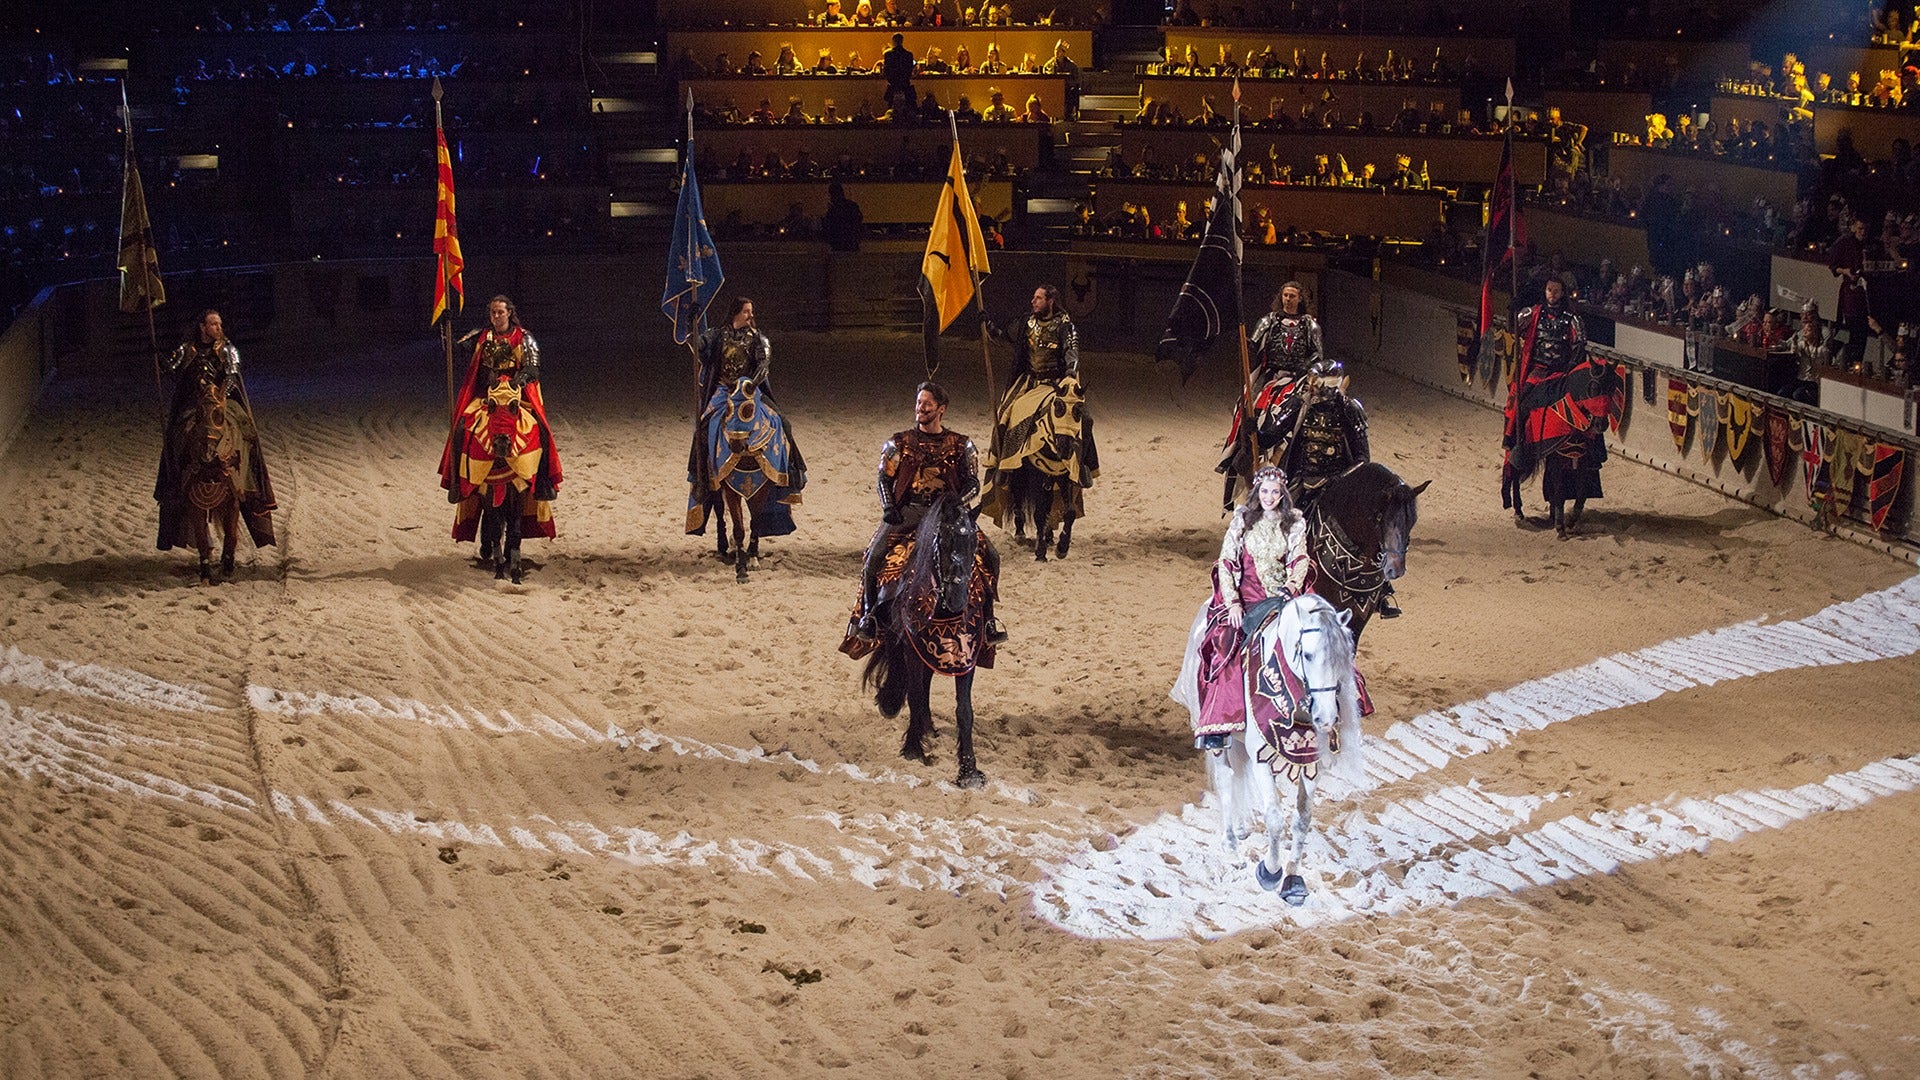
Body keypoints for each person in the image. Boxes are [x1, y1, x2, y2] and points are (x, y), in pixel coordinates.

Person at [851, 382, 1004, 642]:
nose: (920, 408)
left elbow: (973, 483)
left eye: (926, 404)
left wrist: (958, 502)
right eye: (919, 402)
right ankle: (869, 615)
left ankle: (989, 621)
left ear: (941, 409)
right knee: (873, 556)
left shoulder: (961, 445)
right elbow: (883, 479)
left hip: (948, 515)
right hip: (910, 511)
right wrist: (889, 506)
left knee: (991, 556)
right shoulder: (899, 442)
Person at [1180, 466, 1310, 751]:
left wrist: (1290, 588)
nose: (1269, 497)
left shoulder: (1293, 523)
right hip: (1247, 599)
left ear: (1282, 494)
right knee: (1224, 647)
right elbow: (1226, 562)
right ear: (1257, 492)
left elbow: (1300, 560)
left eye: (1275, 492)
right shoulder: (1243, 521)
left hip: (1282, 597)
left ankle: (1321, 707)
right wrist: (1234, 602)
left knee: (1316, 638)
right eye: (1264, 491)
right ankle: (1218, 725)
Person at [439, 295, 562, 545]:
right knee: (462, 426)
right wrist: (446, 325)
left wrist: (518, 382)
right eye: (493, 312)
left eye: (501, 312)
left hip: (515, 399)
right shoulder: (481, 337)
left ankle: (543, 483)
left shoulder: (524, 338)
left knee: (539, 428)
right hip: (486, 399)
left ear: (509, 313)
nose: (497, 316)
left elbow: (533, 367)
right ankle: (457, 483)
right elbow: (455, 349)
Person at [978, 285, 1100, 538]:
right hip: (1029, 382)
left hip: (1056, 384)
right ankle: (1004, 466)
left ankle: (1085, 467)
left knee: (1084, 418)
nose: (1033, 301)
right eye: (1033, 297)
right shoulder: (1027, 322)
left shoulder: (1066, 326)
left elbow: (1072, 353)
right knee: (1006, 414)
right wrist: (987, 325)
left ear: (1051, 301)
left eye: (1038, 297)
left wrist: (1069, 377)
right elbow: (1005, 336)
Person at [156, 308, 277, 555]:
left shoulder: (227, 350)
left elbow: (232, 375)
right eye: (213, 324)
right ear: (202, 327)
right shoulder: (186, 349)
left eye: (219, 324)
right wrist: (162, 362)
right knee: (178, 433)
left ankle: (248, 483)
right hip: (194, 404)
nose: (218, 328)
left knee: (246, 431)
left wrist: (219, 395)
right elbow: (175, 372)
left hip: (223, 402)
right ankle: (177, 485)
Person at [686, 297, 807, 536]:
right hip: (723, 392)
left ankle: (793, 471)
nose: (750, 315)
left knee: (783, 424)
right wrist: (693, 323)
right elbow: (698, 346)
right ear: (736, 313)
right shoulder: (717, 335)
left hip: (750, 392)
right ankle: (701, 480)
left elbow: (764, 364)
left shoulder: (758, 338)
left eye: (752, 311)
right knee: (703, 429)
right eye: (746, 311)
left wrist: (752, 385)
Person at [1501, 278, 1610, 539]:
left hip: (1562, 374)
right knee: (1521, 406)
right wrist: (1513, 308)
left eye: (1557, 291)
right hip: (1537, 373)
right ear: (1545, 291)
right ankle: (1516, 446)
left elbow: (1579, 345)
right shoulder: (1532, 313)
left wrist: (1569, 372)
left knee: (1586, 411)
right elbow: (1513, 326)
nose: (1553, 294)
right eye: (1550, 290)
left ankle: (1592, 451)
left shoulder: (1572, 320)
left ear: (1562, 293)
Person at [1216, 282, 1322, 511]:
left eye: (1292, 296)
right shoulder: (1268, 321)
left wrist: (1304, 368)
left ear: (1300, 298)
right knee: (1247, 408)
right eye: (1285, 295)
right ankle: (1236, 456)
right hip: (1272, 379)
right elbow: (1253, 346)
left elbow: (1317, 354)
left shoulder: (1310, 325)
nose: (1288, 300)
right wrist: (1245, 344)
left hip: (1299, 380)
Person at [1830, 216, 1874, 372]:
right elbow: (1834, 267)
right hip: (1851, 294)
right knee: (1851, 331)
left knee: (1863, 334)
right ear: (1854, 227)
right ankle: (1845, 364)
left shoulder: (1872, 244)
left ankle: (1858, 364)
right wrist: (1846, 271)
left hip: (1868, 295)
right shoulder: (1844, 242)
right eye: (1860, 229)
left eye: (1865, 229)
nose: (1863, 232)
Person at [881, 32, 915, 119]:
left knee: (891, 111)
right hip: (905, 85)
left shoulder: (888, 55)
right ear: (902, 41)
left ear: (893, 41)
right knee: (906, 110)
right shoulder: (909, 55)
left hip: (893, 86)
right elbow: (910, 71)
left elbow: (886, 71)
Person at [822, 181, 864, 251]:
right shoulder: (852, 205)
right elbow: (858, 221)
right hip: (852, 243)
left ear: (832, 195)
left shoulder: (833, 209)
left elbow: (828, 226)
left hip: (838, 243)